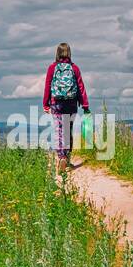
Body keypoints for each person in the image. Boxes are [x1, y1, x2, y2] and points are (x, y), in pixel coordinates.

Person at [42, 42, 89, 172]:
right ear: (69, 53)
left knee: (59, 131)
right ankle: (67, 160)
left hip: (56, 104)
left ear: (57, 53)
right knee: (68, 131)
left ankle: (61, 156)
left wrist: (45, 104)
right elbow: (80, 87)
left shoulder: (52, 68)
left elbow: (47, 86)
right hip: (72, 103)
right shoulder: (74, 68)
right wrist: (85, 105)